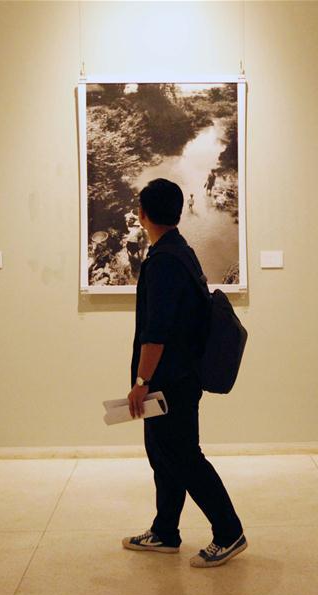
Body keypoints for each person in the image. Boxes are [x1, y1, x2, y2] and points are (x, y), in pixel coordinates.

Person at [121, 178, 247, 569]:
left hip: (169, 381)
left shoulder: (162, 262)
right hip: (181, 376)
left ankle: (229, 532)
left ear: (143, 215)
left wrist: (141, 383)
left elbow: (155, 333)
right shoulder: (181, 252)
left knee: (184, 457)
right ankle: (165, 531)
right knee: (165, 455)